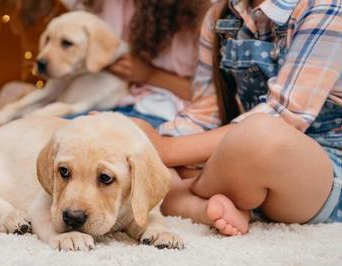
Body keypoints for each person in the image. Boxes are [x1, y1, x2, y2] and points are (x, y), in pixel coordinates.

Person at [131, 0, 341, 236]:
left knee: (259, 137)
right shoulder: (219, 14)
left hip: (323, 172)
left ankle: (180, 195)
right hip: (245, 161)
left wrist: (167, 149)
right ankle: (204, 207)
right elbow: (206, 112)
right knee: (145, 160)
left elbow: (284, 114)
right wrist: (146, 141)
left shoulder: (328, 7)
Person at [73, 0, 210, 128]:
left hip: (161, 111)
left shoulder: (201, 18)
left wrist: (149, 75)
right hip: (103, 98)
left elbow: (211, 97)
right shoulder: (109, 4)